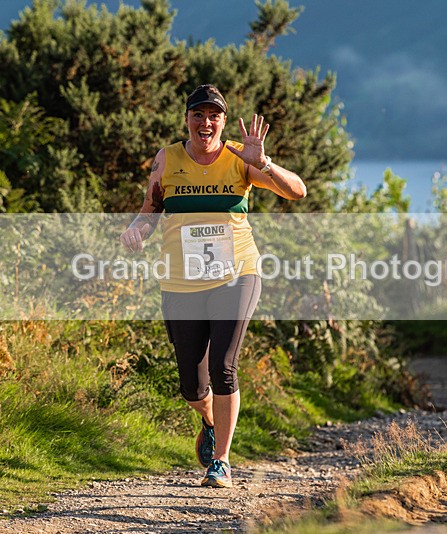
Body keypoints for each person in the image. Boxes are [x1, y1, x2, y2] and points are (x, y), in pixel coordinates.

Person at [120, 84, 306, 487]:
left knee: (224, 366)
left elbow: (297, 191)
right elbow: (149, 213)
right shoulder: (167, 159)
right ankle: (208, 419)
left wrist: (266, 164)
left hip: (236, 273)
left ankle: (220, 461)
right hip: (181, 281)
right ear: (187, 118)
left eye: (214, 116)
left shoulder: (241, 157)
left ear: (223, 121)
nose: (206, 122)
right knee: (192, 383)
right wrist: (134, 231)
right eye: (198, 114)